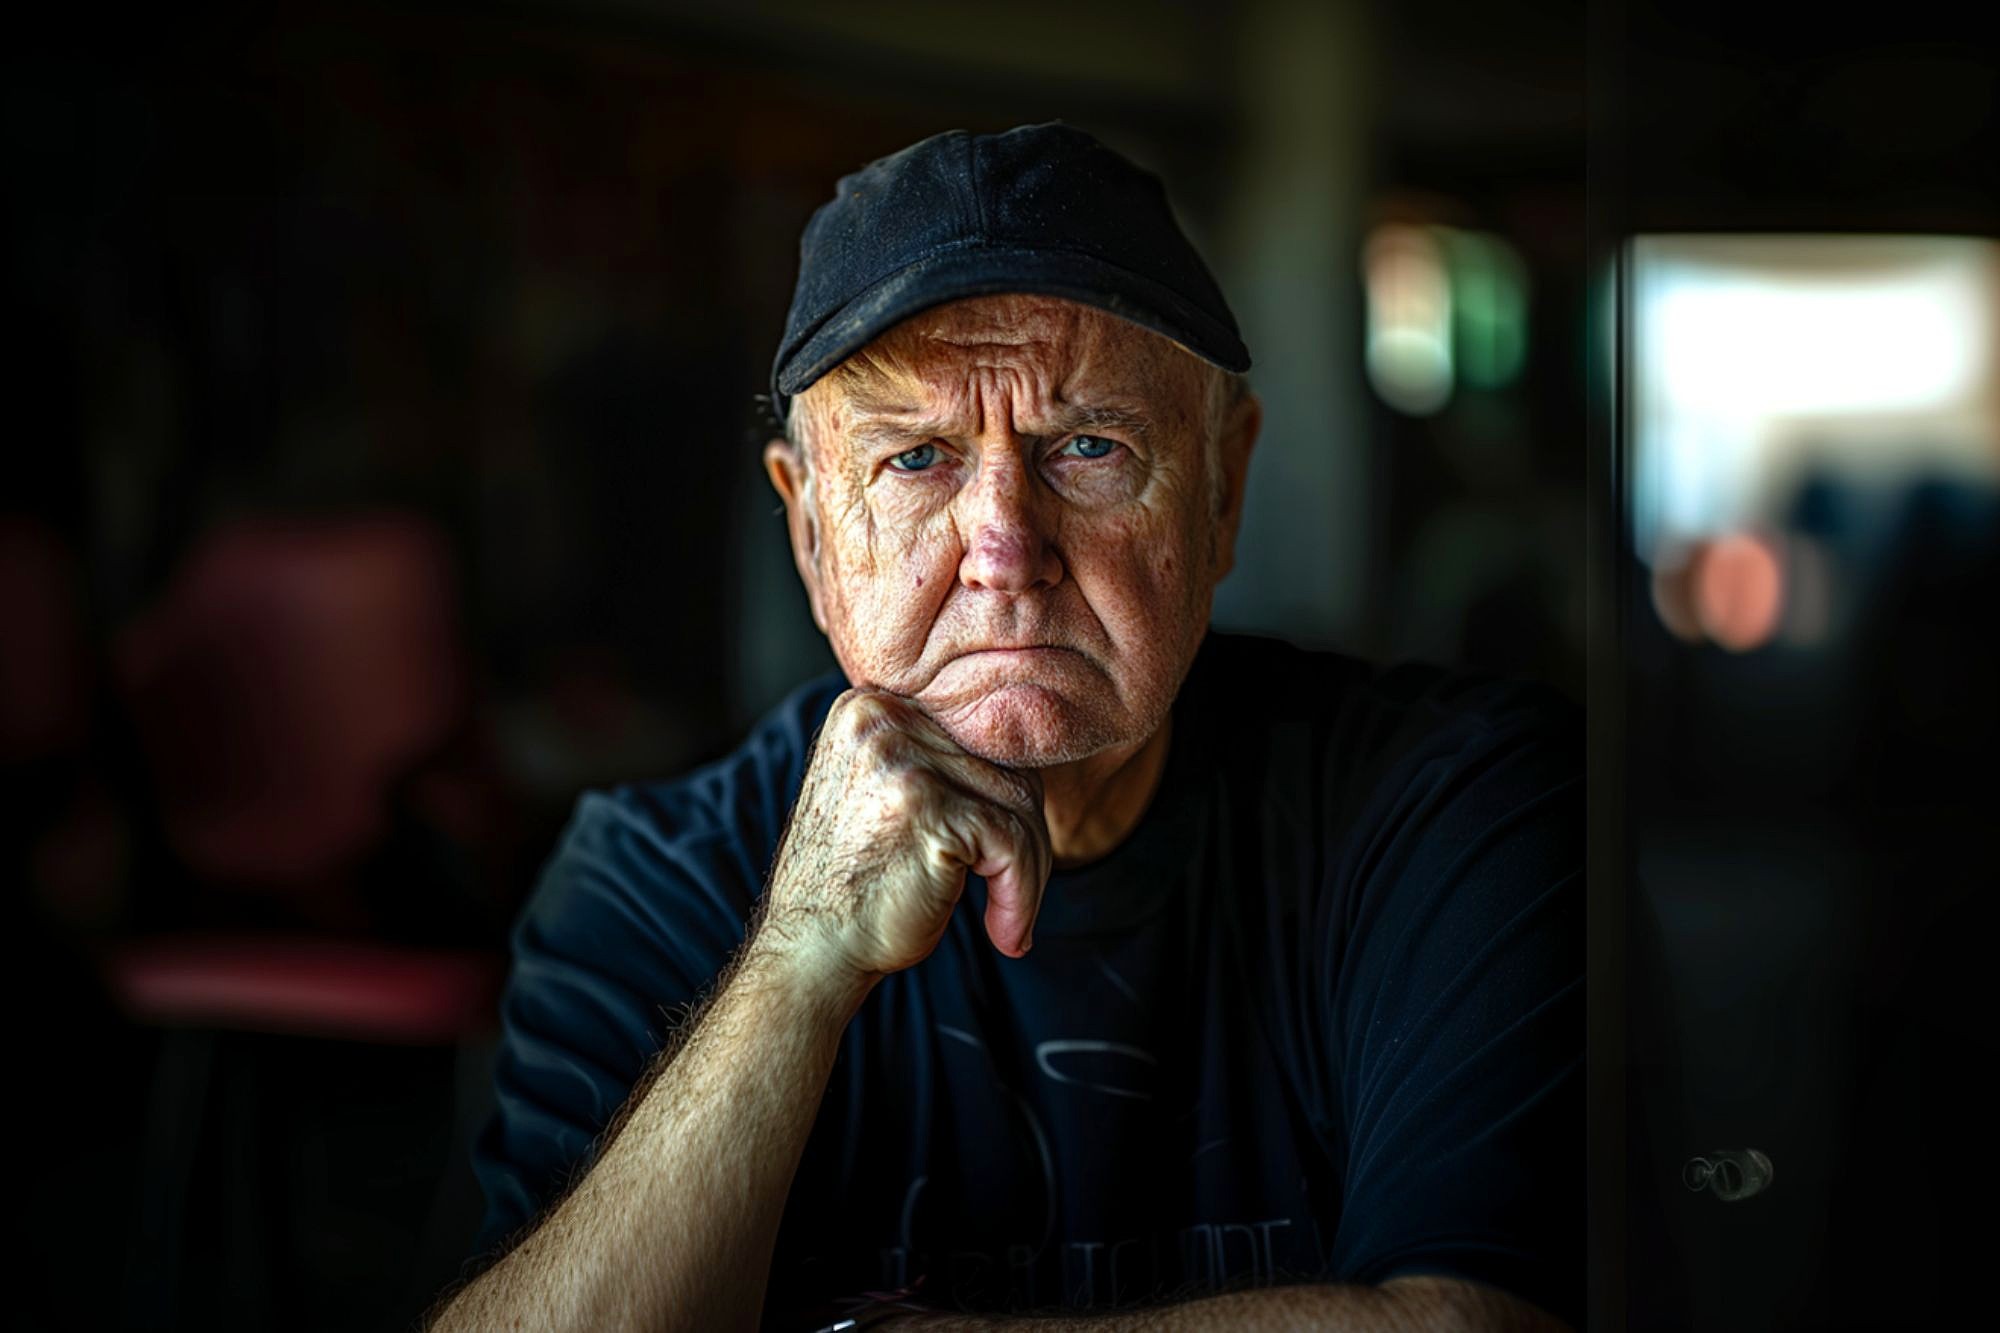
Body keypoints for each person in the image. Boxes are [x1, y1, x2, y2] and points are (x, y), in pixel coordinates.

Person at [429, 123, 1581, 1333]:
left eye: (1086, 446)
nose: (1004, 549)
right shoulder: (654, 878)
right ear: (810, 533)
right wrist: (796, 961)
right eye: (915, 458)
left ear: (1220, 488)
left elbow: (1480, 1323)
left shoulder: (1451, 805)